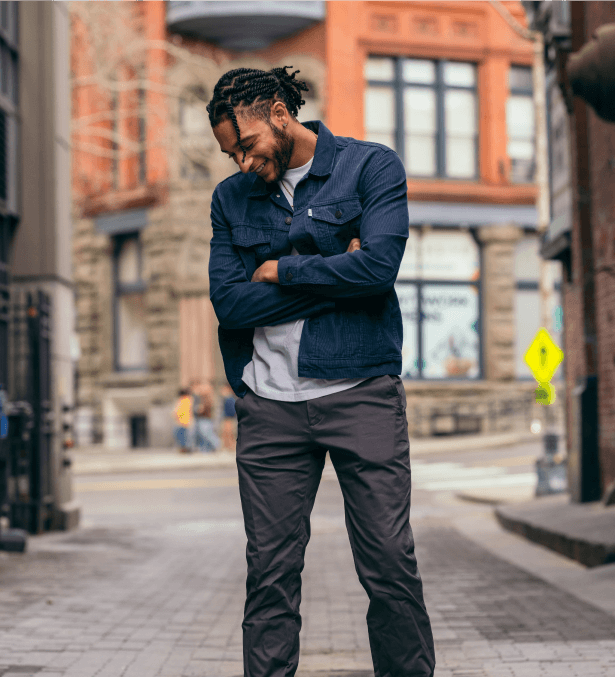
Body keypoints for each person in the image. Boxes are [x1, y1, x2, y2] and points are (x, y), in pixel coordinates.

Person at [207, 66, 435, 677]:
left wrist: (281, 272)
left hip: (361, 391)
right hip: (269, 406)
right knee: (271, 574)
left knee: (389, 563)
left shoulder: (370, 168)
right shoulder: (230, 199)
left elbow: (379, 270)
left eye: (247, 146)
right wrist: (337, 270)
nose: (243, 163)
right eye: (231, 154)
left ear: (279, 115)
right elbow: (229, 304)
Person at [190, 380, 220, 453]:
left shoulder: (209, 398)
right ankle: (205, 449)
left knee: (207, 434)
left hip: (206, 418)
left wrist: (200, 409)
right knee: (202, 434)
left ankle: (217, 445)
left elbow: (207, 408)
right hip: (201, 418)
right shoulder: (200, 397)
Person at [173, 388, 193, 454]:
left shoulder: (184, 400)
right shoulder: (188, 400)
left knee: (182, 436)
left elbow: (178, 411)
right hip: (185, 421)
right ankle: (185, 448)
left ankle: (185, 448)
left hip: (182, 422)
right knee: (184, 436)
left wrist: (175, 415)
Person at [219, 384, 237, 452]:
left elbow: (233, 411)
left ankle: (231, 446)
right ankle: (227, 446)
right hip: (226, 418)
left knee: (229, 433)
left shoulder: (230, 399)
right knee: (225, 433)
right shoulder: (225, 399)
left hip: (229, 419)